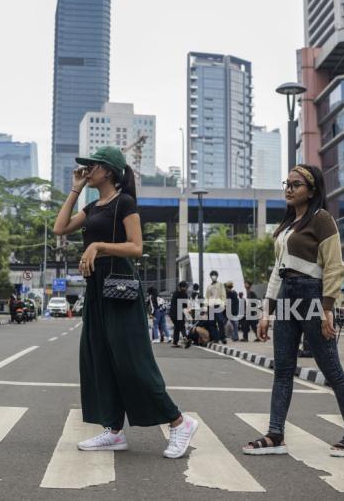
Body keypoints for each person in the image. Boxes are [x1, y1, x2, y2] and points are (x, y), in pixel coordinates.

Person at [53, 146, 198, 458]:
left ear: (109, 171)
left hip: (120, 292)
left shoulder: (125, 203)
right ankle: (113, 430)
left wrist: (99, 247)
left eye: (92, 166)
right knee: (100, 360)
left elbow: (136, 247)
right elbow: (59, 227)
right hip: (95, 291)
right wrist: (75, 189)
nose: (87, 170)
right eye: (86, 167)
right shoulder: (92, 207)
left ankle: (179, 422)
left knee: (133, 363)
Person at [244, 165, 344, 457]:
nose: (289, 188)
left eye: (297, 184)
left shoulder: (322, 220)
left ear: (311, 190)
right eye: (287, 183)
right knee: (282, 369)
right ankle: (275, 435)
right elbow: (277, 271)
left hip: (312, 294)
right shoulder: (285, 226)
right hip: (286, 294)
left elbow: (335, 266)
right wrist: (266, 310)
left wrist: (327, 308)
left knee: (331, 368)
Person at [206, 270, 227, 344]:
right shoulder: (208, 286)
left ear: (217, 276)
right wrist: (206, 307)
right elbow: (207, 297)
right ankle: (216, 338)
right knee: (211, 323)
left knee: (220, 321)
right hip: (211, 306)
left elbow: (223, 295)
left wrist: (223, 304)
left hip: (218, 305)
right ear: (210, 277)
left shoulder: (220, 285)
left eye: (215, 275)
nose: (213, 276)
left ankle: (223, 337)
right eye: (212, 275)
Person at [168, 281, 190, 348]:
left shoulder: (175, 293)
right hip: (179, 312)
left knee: (177, 327)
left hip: (172, 313)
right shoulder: (185, 294)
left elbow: (172, 304)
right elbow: (185, 305)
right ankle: (185, 337)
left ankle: (175, 342)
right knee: (182, 327)